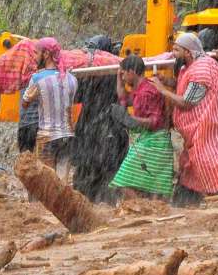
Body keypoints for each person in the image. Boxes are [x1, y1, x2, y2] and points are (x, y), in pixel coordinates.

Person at [152, 32, 218, 206]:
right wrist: (167, 81)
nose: (173, 54)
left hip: (212, 129)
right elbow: (185, 86)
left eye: (176, 50)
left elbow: (187, 102)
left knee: (205, 166)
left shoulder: (202, 69)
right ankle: (182, 203)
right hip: (199, 131)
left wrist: (162, 89)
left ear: (188, 52)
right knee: (190, 167)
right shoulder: (188, 67)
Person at [72, 35, 128, 204]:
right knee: (109, 170)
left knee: (87, 169)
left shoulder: (87, 72)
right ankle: (107, 202)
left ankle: (84, 203)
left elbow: (76, 97)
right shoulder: (115, 71)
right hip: (109, 125)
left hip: (91, 124)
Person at [109, 55, 174, 199]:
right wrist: (119, 78)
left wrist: (130, 119)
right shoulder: (140, 89)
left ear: (132, 72)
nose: (123, 77)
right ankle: (149, 212)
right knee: (154, 188)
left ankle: (143, 209)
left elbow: (155, 121)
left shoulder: (147, 91)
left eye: (124, 73)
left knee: (123, 181)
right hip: (151, 141)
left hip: (154, 142)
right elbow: (123, 98)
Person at [23, 37, 78, 178]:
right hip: (68, 137)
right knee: (61, 183)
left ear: (46, 54)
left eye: (36, 53)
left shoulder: (37, 79)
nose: (34, 57)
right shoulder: (72, 79)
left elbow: (25, 103)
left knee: (46, 182)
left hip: (47, 138)